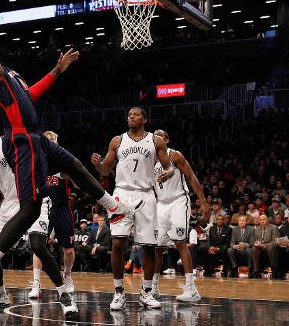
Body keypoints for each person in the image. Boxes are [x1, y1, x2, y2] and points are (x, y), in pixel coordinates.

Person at [0, 0, 140, 316]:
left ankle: (113, 206)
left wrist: (56, 70)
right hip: (22, 140)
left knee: (75, 164)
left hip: (36, 136)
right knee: (30, 207)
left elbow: (31, 96)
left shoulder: (11, 74)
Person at [0, 135, 72, 315]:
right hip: (9, 203)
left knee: (37, 244)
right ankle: (1, 295)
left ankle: (64, 295)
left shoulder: (32, 140)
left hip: (34, 199)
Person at [91, 108, 175, 310]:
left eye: (136, 114)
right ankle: (119, 292)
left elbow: (169, 167)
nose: (131, 117)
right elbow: (105, 169)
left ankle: (146, 292)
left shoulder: (156, 141)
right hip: (122, 194)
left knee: (148, 246)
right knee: (118, 243)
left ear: (145, 119)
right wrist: (97, 164)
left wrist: (167, 174)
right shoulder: (117, 141)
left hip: (146, 195)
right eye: (129, 114)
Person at [151, 130, 210, 302]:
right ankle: (153, 288)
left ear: (167, 140)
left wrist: (204, 203)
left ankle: (191, 289)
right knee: (158, 247)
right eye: (154, 136)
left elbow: (191, 177)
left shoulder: (174, 155)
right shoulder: (149, 161)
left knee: (180, 243)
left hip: (178, 201)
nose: (156, 138)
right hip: (160, 204)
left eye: (160, 136)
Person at [29, 131, 78, 297]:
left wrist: (70, 176)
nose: (49, 143)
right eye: (47, 140)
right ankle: (36, 284)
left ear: (57, 143)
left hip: (61, 207)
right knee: (38, 246)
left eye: (52, 140)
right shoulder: (37, 162)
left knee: (69, 250)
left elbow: (78, 183)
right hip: (42, 206)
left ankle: (68, 275)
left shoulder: (63, 160)